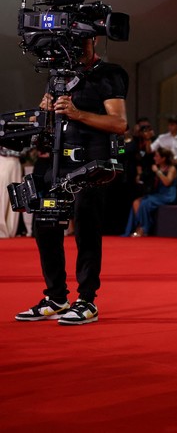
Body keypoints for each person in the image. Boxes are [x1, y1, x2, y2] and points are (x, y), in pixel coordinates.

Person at [15, 36, 128, 325]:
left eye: (81, 43)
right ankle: (56, 297)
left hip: (91, 165)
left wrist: (78, 113)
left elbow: (119, 123)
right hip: (56, 163)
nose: (75, 49)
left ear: (94, 39)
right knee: (45, 226)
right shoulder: (57, 77)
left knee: (86, 231)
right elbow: (50, 126)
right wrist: (45, 112)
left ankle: (87, 300)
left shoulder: (109, 73)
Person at [123, 147, 177, 237]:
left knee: (145, 203)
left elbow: (167, 182)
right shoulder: (155, 167)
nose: (154, 158)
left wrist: (158, 172)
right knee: (136, 202)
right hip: (156, 194)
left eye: (157, 156)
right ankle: (140, 227)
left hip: (167, 195)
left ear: (163, 158)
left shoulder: (172, 169)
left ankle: (142, 229)